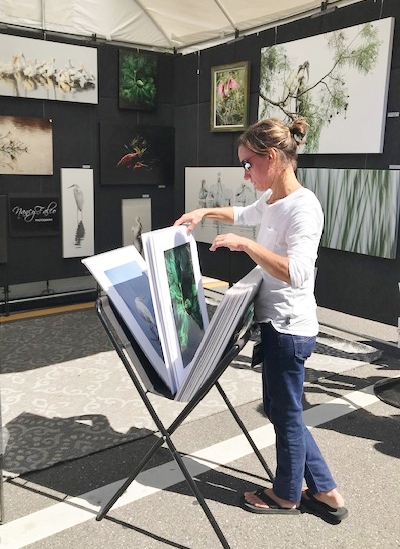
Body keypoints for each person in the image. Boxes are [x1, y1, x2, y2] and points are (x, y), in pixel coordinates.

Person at [174, 117, 348, 521]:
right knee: (281, 410)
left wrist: (247, 245)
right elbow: (242, 211)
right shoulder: (272, 198)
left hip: (289, 328)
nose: (245, 172)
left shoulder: (303, 206)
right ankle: (325, 491)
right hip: (276, 326)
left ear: (272, 157)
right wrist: (203, 211)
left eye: (248, 163)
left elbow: (299, 272)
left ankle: (288, 495)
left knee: (285, 414)